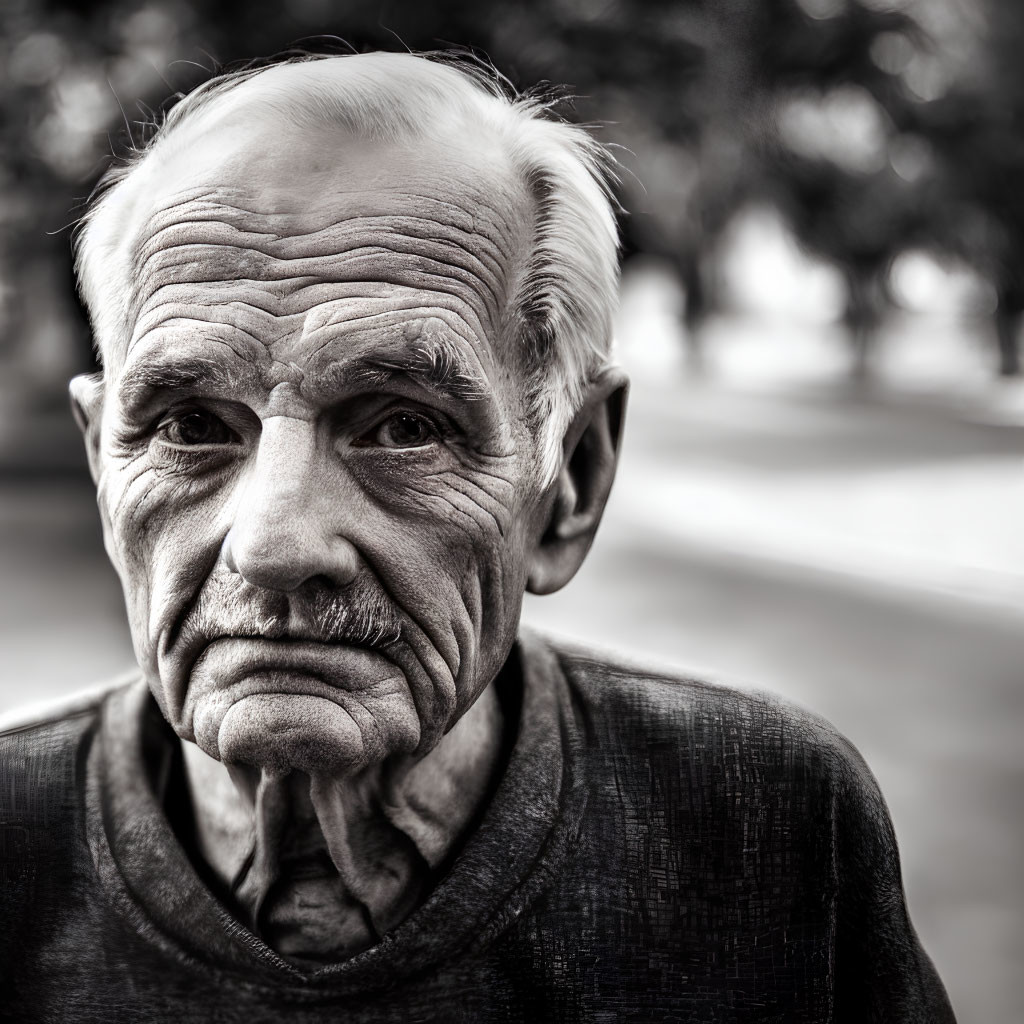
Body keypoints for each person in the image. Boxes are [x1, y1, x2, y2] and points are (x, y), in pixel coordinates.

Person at [0, 52, 955, 1022]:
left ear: (569, 478)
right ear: (100, 464)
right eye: (190, 427)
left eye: (403, 426)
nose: (271, 546)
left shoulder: (765, 821)